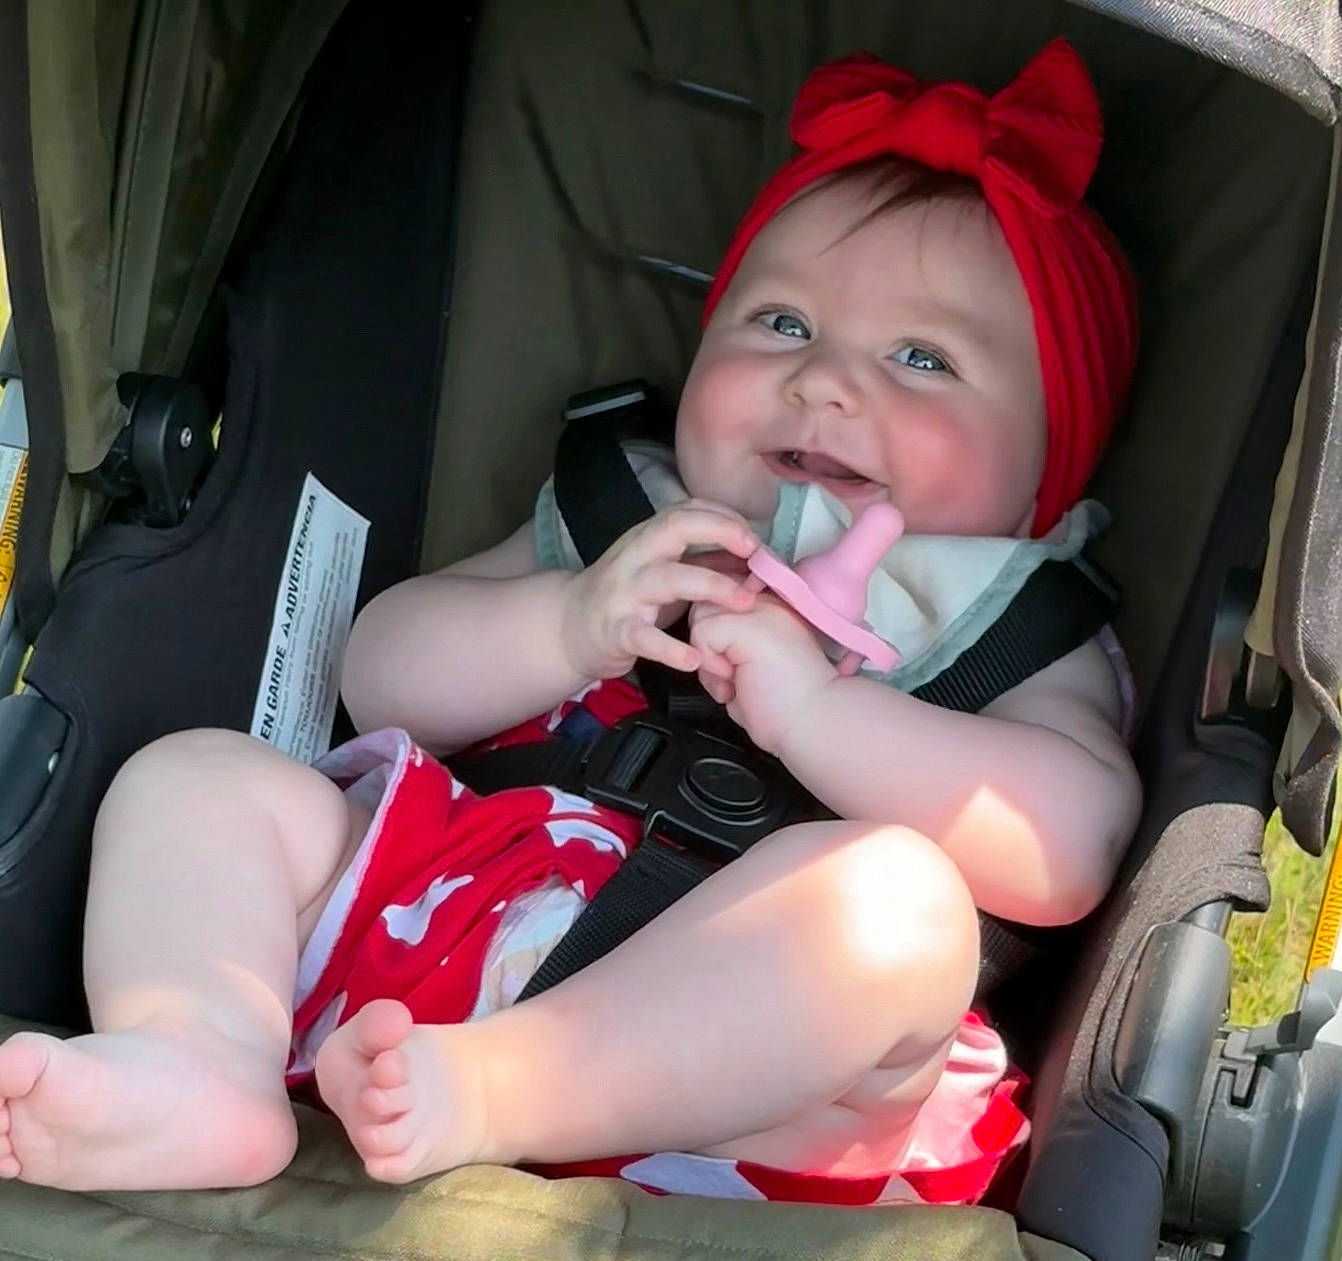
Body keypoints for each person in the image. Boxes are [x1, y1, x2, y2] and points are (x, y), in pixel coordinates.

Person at [0, 39, 1141, 1201]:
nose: (827, 382)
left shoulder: (1009, 617)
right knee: (196, 782)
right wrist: (566, 626)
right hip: (452, 926)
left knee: (904, 909)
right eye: (783, 326)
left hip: (754, 1075)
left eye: (922, 357)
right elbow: (381, 669)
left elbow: (1070, 846)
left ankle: (500, 1092)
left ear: (1049, 463)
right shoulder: (625, 517)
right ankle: (200, 1063)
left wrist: (822, 716)